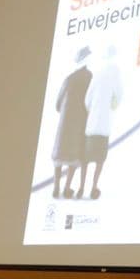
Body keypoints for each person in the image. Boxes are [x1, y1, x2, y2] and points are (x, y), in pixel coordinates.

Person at [80, 44, 123, 200]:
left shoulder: (97, 72)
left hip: (92, 125)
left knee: (86, 158)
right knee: (99, 159)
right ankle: (93, 187)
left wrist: (92, 112)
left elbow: (87, 99)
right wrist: (113, 105)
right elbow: (119, 94)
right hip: (104, 125)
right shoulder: (115, 71)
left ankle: (81, 188)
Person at [52, 45, 93, 199]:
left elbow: (57, 105)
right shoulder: (89, 77)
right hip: (79, 124)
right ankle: (66, 188)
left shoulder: (68, 79)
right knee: (73, 158)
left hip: (64, 125)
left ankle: (56, 187)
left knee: (59, 157)